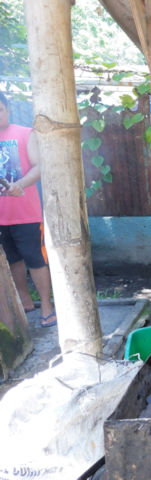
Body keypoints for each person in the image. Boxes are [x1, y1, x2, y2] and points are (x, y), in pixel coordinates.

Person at [0, 92, 57, 327]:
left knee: (35, 259)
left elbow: (39, 167)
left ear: (7, 109)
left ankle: (46, 305)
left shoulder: (25, 133)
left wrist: (20, 185)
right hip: (1, 218)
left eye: (0, 109)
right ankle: (24, 300)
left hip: (26, 214)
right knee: (12, 260)